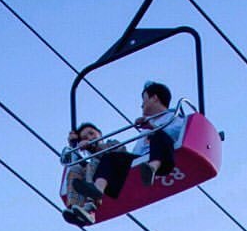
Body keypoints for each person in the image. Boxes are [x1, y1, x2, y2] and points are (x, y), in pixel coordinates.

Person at [71, 82, 182, 210]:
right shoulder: (146, 128)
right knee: (111, 158)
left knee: (158, 134)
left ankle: (151, 168)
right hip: (142, 159)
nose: (141, 104)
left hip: (164, 160)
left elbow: (177, 133)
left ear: (154, 98)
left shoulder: (172, 117)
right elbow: (135, 153)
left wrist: (152, 127)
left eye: (144, 99)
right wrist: (74, 145)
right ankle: (97, 190)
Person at [60, 123, 117, 226]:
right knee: (76, 169)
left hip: (114, 169)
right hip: (97, 172)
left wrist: (91, 147)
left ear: (99, 133)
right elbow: (68, 160)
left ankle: (90, 207)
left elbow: (112, 152)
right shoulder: (88, 163)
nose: (90, 138)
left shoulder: (112, 143)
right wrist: (73, 147)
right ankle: (76, 208)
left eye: (92, 133)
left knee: (92, 164)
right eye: (85, 138)